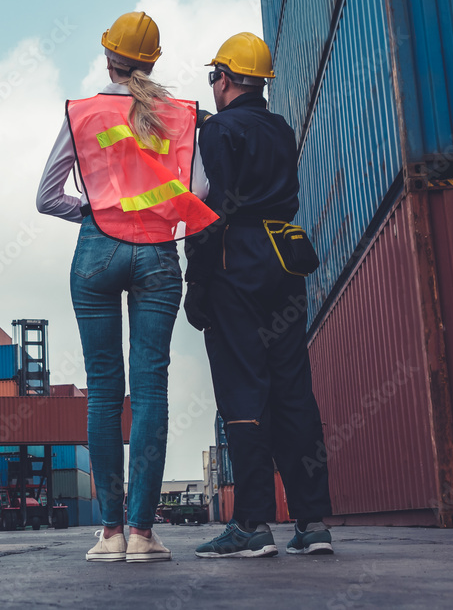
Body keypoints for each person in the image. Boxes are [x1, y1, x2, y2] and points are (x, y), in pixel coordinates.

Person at [37, 11, 217, 563]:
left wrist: (94, 212)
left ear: (108, 57)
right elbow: (201, 189)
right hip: (157, 254)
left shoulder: (82, 114)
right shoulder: (181, 117)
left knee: (104, 388)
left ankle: (109, 533)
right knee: (151, 388)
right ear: (151, 62)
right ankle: (142, 534)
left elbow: (46, 197)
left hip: (96, 251)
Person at [184, 32, 333, 558]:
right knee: (293, 389)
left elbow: (208, 211)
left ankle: (251, 524)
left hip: (237, 258)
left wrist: (195, 282)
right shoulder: (282, 129)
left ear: (223, 79)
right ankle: (312, 522)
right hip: (285, 256)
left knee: (244, 390)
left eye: (214, 77)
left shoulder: (217, 131)